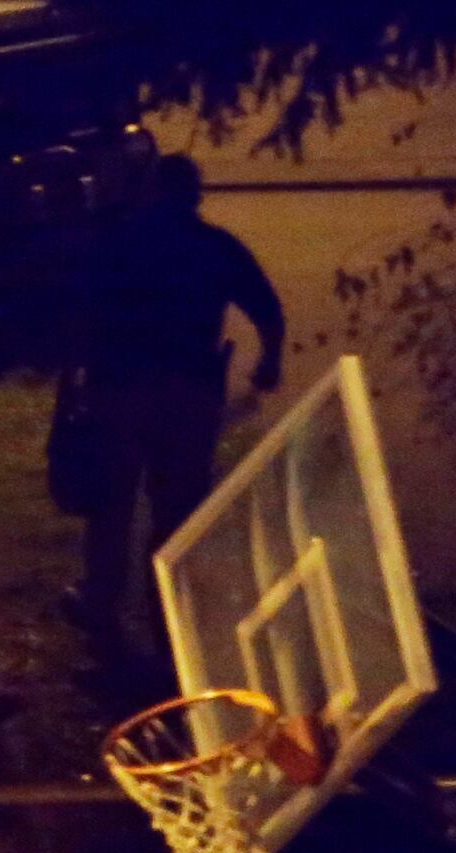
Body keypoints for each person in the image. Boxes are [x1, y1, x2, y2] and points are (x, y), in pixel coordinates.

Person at [66, 154, 289, 649]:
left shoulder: (120, 242)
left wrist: (80, 376)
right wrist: (269, 359)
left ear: (150, 191)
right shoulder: (215, 247)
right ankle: (169, 612)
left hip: (122, 389)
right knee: (178, 509)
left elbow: (82, 311)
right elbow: (267, 307)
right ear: (195, 196)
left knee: (111, 506)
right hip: (189, 393)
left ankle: (101, 606)